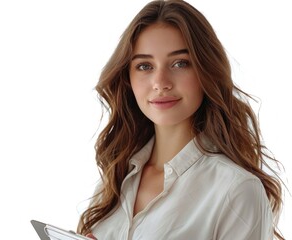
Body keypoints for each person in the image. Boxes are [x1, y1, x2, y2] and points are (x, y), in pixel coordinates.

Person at [78, 0, 285, 239]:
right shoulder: (114, 181)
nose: (160, 82)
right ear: (128, 79)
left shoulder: (237, 190)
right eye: (145, 66)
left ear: (206, 71)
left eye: (180, 63)